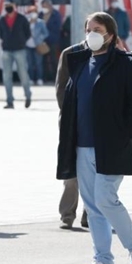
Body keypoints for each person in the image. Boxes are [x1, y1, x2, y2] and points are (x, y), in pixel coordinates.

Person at [58, 12, 132, 264]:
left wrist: (124, 133)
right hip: (82, 145)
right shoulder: (79, 62)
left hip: (111, 145)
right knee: (92, 204)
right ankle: (103, 261)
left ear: (110, 33)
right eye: (88, 29)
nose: (91, 34)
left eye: (97, 29)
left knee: (105, 198)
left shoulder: (126, 63)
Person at [55, 40, 89, 230]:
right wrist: (71, 115)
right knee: (71, 170)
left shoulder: (110, 54)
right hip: (72, 122)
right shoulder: (70, 53)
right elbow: (61, 88)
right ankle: (67, 214)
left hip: (97, 123)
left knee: (94, 171)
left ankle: (89, 213)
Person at [0, 0, 32, 109]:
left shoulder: (21, 19)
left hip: (19, 49)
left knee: (23, 74)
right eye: (6, 4)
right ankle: (9, 101)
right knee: (7, 76)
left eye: (9, 4)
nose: (7, 6)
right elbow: (1, 34)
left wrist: (20, 41)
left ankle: (28, 96)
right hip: (6, 50)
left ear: (14, 5)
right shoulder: (2, 19)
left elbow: (28, 33)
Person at [25, 6, 49, 86]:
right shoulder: (27, 22)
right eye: (31, 12)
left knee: (38, 63)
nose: (33, 14)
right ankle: (31, 79)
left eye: (34, 12)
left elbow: (46, 33)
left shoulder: (40, 22)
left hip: (38, 45)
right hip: (28, 45)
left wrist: (40, 38)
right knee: (30, 63)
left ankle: (39, 79)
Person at [40, 0, 62, 82]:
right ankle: (45, 77)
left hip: (53, 40)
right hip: (43, 41)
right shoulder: (41, 14)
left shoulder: (56, 14)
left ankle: (56, 78)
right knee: (44, 60)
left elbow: (58, 26)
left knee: (54, 59)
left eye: (45, 6)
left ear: (50, 5)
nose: (44, 7)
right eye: (43, 6)